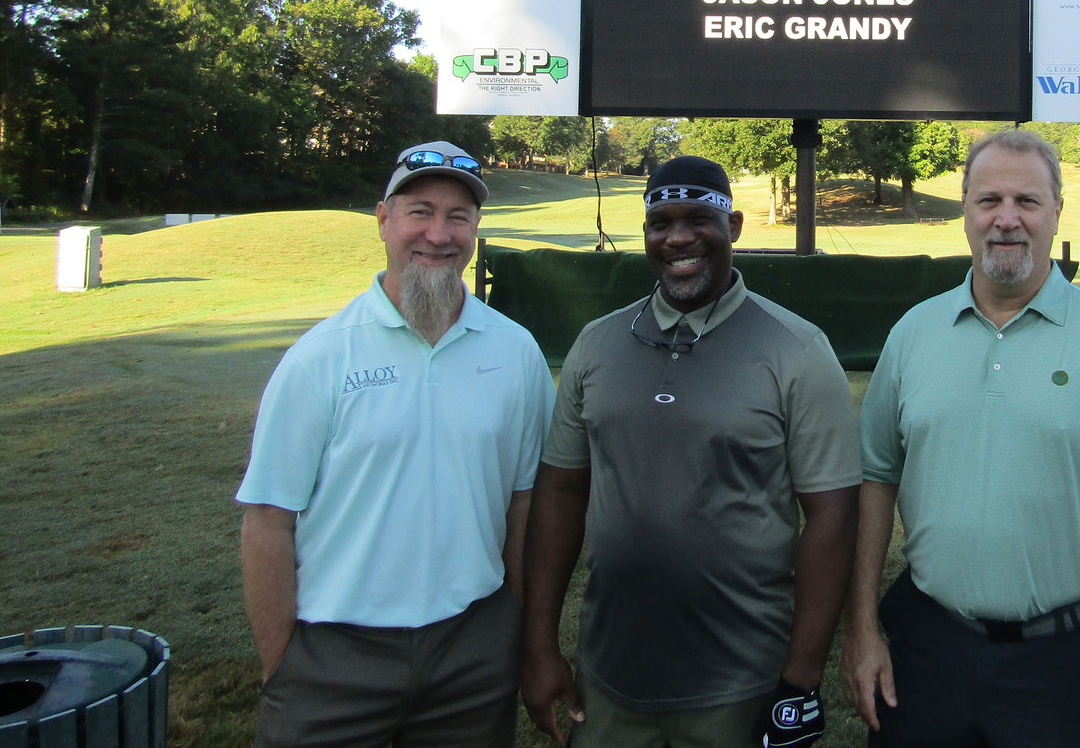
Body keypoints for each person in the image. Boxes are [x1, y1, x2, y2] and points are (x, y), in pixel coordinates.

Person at [843, 128, 1080, 748]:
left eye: (1027, 202)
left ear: (1057, 210)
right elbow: (876, 480)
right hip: (927, 650)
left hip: (1068, 658)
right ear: (965, 211)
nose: (1007, 220)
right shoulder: (914, 334)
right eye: (989, 201)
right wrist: (864, 628)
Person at [520, 155, 860, 748]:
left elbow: (832, 515)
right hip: (610, 682)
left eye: (698, 218)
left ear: (734, 226)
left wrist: (801, 679)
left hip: (741, 684)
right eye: (659, 223)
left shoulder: (798, 350)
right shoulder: (596, 343)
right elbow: (559, 493)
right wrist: (541, 647)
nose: (678, 237)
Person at [237, 141, 555, 748]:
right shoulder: (320, 358)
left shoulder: (516, 353)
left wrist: (510, 629)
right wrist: (283, 666)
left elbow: (524, 505)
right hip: (333, 653)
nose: (439, 234)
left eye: (458, 217)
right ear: (383, 220)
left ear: (476, 228)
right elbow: (268, 520)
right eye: (420, 211)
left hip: (471, 650)